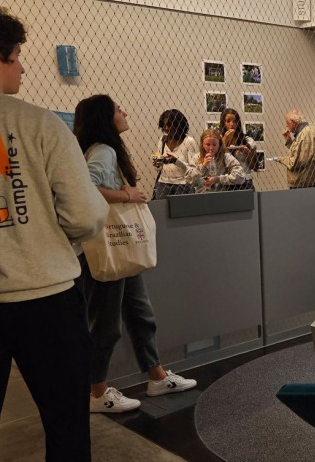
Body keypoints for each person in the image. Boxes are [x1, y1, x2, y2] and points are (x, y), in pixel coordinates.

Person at [0, 4, 108, 460]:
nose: (23, 67)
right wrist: (42, 237)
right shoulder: (39, 124)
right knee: (66, 425)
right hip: (45, 294)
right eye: (17, 56)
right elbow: (86, 215)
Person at [73, 94, 197, 414]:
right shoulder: (102, 151)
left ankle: (155, 375)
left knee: (140, 313)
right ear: (105, 118)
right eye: (118, 109)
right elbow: (83, 188)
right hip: (107, 249)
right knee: (106, 324)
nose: (124, 112)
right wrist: (125, 194)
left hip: (119, 247)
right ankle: (97, 391)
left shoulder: (106, 150)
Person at [274, 109, 315, 188]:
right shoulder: (307, 131)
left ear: (293, 122)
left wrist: (281, 159)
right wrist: (289, 141)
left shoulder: (305, 134)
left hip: (303, 183)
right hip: (308, 180)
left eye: (287, 123)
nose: (286, 126)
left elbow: (296, 162)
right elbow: (301, 153)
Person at [153, 108, 198, 198]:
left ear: (178, 125)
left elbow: (193, 169)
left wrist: (176, 161)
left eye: (169, 125)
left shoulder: (189, 141)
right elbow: (159, 168)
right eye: (164, 125)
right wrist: (157, 164)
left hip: (183, 184)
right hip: (163, 183)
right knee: (161, 210)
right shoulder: (162, 140)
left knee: (181, 211)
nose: (166, 128)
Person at [218, 108, 258, 187]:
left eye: (234, 121)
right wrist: (224, 141)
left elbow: (255, 167)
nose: (232, 124)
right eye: (228, 121)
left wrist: (247, 153)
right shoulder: (218, 141)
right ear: (223, 123)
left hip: (245, 181)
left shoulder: (246, 140)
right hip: (226, 182)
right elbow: (217, 161)